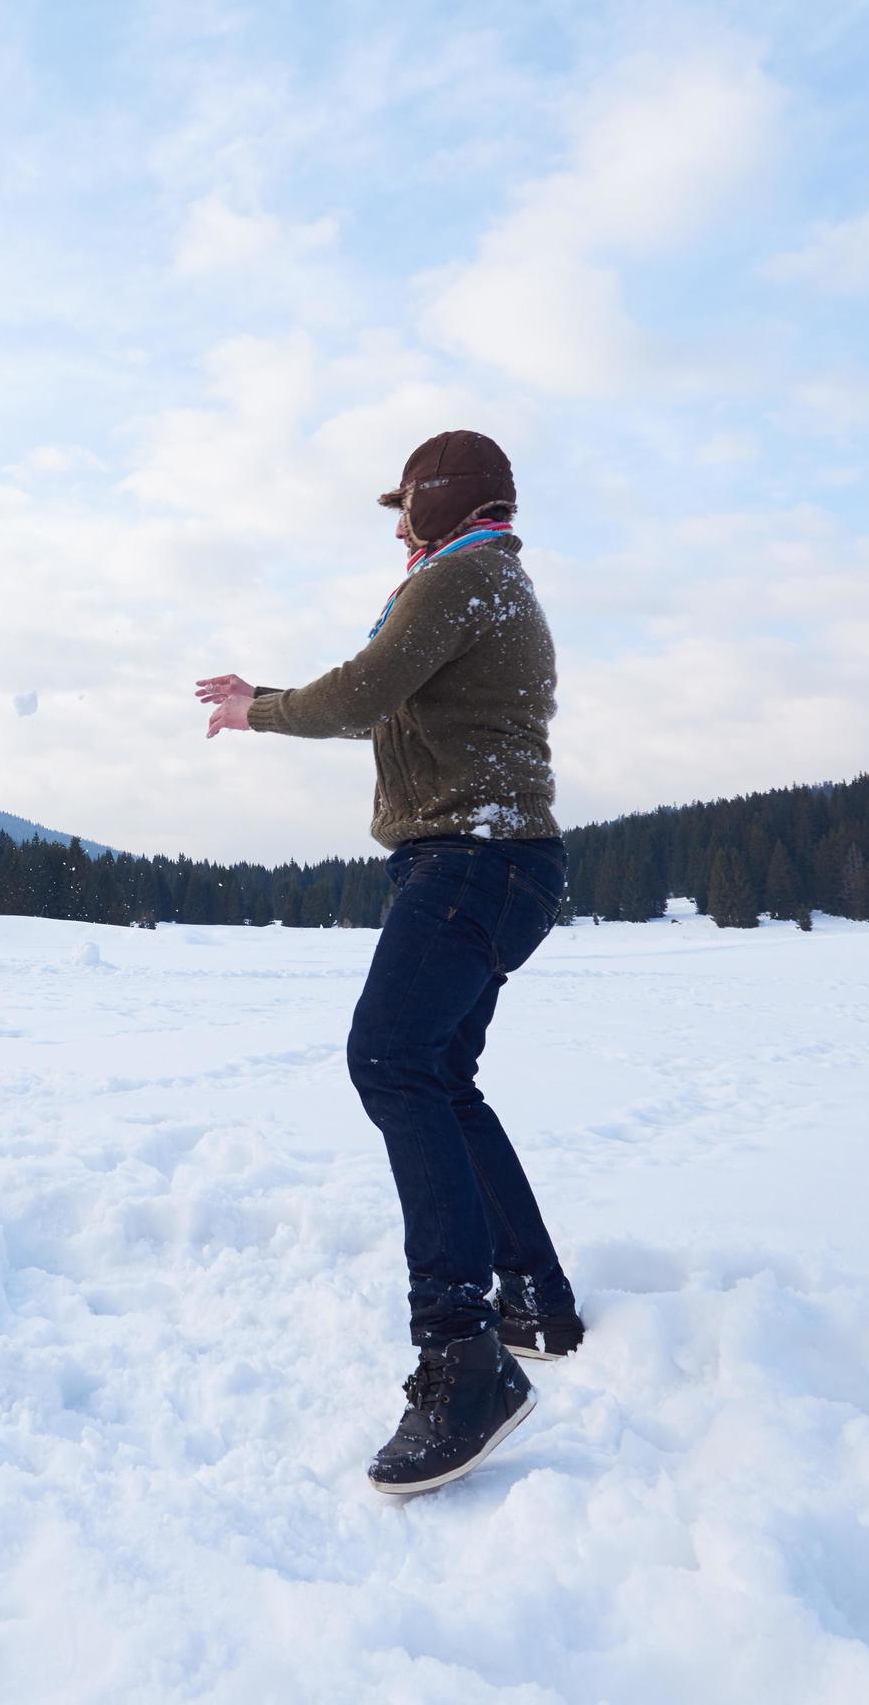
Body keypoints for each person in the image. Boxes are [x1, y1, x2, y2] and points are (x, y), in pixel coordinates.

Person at [195, 428, 580, 1496]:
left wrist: (257, 710)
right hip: (495, 865)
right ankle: (534, 1296)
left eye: (403, 505)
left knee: (392, 1061)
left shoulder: (460, 580)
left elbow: (366, 690)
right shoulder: (480, 583)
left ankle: (464, 1357)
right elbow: (388, 689)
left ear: (441, 500)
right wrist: (267, 690)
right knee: (437, 1077)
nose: (395, 525)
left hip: (472, 861)